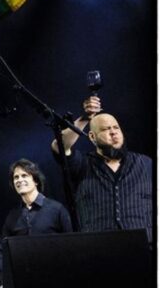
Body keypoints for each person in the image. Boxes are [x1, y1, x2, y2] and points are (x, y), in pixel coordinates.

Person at [51, 95, 153, 239]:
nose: (113, 132)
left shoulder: (145, 163)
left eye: (116, 127)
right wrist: (85, 118)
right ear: (92, 137)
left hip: (144, 248)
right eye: (106, 129)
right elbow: (58, 146)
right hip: (98, 249)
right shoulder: (83, 164)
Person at [0, 159, 72, 287]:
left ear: (35, 180)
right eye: (16, 177)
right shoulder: (13, 216)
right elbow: (1, 253)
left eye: (24, 175)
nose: (19, 180)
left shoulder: (56, 209)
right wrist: (2, 282)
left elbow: (71, 247)